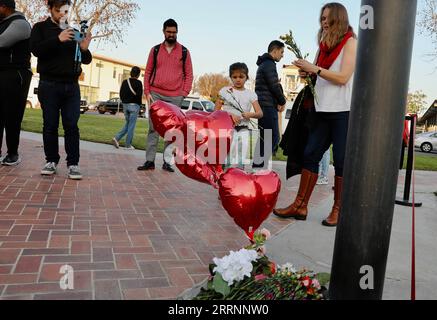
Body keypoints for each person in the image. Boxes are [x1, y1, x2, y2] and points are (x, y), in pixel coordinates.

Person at [273, 2, 357, 227]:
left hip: (342, 110)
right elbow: (320, 76)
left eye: (328, 18)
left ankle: (338, 209)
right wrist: (307, 74)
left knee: (341, 161)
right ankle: (300, 205)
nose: (323, 22)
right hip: (321, 108)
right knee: (310, 154)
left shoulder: (350, 42)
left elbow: (343, 77)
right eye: (322, 18)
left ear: (338, 19)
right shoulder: (322, 45)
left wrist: (315, 69)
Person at [30, 0, 92, 180]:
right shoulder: (40, 28)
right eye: (58, 11)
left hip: (71, 86)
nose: (62, 15)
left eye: (65, 11)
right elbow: (36, 50)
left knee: (71, 126)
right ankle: (51, 161)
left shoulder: (74, 32)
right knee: (50, 125)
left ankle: (73, 164)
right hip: (49, 84)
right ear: (50, 9)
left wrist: (85, 49)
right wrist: (57, 39)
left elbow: (85, 59)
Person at [137, 18, 193, 173]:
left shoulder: (184, 52)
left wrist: (183, 93)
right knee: (153, 128)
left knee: (171, 131)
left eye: (174, 32)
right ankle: (149, 161)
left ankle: (167, 162)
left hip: (175, 96)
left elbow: (189, 75)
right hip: (155, 94)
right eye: (169, 32)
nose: (171, 35)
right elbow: (148, 72)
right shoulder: (155, 50)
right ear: (163, 31)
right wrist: (147, 92)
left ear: (177, 33)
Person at [0, 0, 32, 166]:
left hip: (16, 75)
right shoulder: (3, 23)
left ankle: (13, 154)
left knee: (12, 116)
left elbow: (2, 42)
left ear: (4, 7)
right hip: (2, 73)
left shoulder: (20, 23)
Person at [215, 62, 263, 170]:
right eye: (234, 77)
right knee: (225, 156)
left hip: (243, 129)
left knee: (241, 158)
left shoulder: (251, 94)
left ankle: (238, 178)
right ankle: (222, 179)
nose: (238, 79)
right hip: (227, 129)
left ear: (247, 77)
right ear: (230, 77)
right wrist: (230, 115)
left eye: (241, 77)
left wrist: (250, 114)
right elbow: (216, 111)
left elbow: (260, 113)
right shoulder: (225, 91)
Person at [253, 41, 287, 169]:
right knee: (273, 137)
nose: (282, 55)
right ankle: (259, 167)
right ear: (275, 50)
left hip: (264, 105)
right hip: (267, 106)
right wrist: (282, 101)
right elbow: (274, 86)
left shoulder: (265, 64)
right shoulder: (269, 64)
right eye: (282, 52)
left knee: (265, 138)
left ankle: (258, 166)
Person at [112, 66, 143, 150]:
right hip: (134, 106)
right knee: (131, 126)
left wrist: (125, 102)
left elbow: (121, 94)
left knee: (128, 124)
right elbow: (139, 95)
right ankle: (128, 145)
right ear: (138, 75)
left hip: (125, 106)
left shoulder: (125, 82)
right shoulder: (139, 83)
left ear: (131, 73)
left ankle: (116, 138)